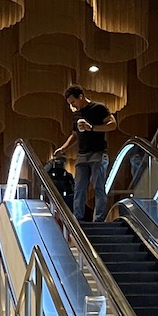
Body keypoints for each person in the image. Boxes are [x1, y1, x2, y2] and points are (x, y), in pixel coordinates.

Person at [55, 85, 117, 222]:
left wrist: (92, 128)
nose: (73, 106)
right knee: (79, 188)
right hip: (82, 155)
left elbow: (112, 124)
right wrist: (63, 149)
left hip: (98, 153)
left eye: (73, 102)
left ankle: (99, 219)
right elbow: (75, 135)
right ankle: (78, 219)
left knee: (99, 187)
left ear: (81, 97)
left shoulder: (98, 108)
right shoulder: (77, 114)